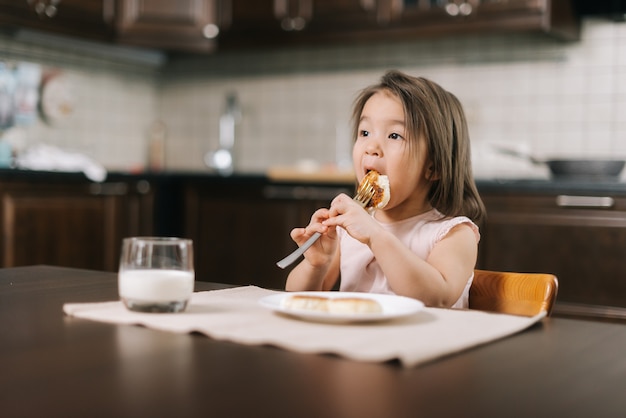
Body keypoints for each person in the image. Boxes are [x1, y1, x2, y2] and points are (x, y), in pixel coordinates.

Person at [285, 70, 486, 309]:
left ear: (434, 166)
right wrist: (316, 264)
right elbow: (297, 299)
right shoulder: (349, 232)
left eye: (394, 135)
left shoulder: (453, 235)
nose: (372, 146)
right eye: (365, 132)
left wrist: (375, 236)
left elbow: (437, 299)